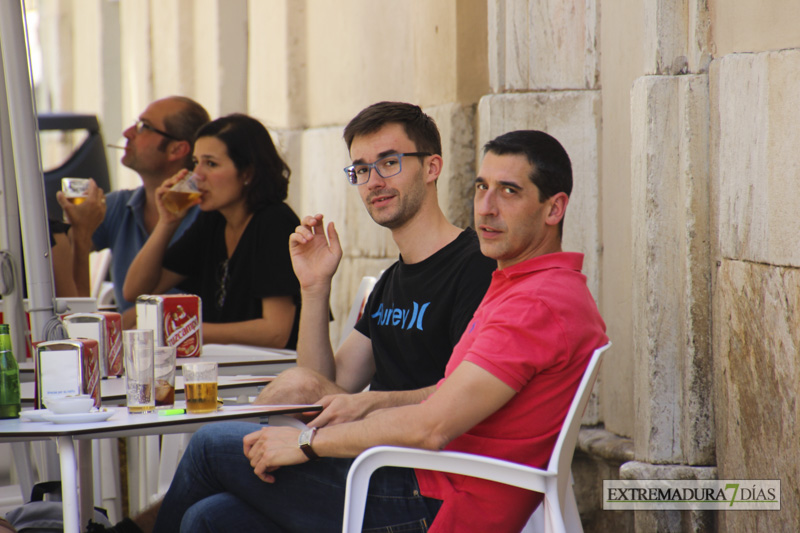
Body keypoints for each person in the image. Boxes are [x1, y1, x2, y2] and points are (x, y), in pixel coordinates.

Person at [150, 129, 608, 532]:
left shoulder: (536, 302)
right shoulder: (517, 284)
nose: (486, 208)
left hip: (435, 501)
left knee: (211, 446)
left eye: (509, 191)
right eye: (481, 187)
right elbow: (345, 385)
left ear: (554, 209)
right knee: (210, 518)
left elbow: (432, 426)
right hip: (414, 475)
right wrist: (317, 294)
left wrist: (309, 443)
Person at [252, 101, 496, 428]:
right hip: (362, 451)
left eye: (389, 162)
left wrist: (368, 404)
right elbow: (327, 383)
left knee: (213, 452)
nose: (374, 182)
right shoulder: (390, 281)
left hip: (410, 462)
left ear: (432, 168)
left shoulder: (477, 266)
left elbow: (467, 394)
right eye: (363, 170)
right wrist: (313, 288)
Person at [122, 114, 301, 349]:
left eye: (211, 164)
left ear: (247, 173)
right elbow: (135, 291)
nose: (197, 176)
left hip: (269, 370)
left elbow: (276, 332)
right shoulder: (213, 221)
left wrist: (186, 329)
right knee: (133, 317)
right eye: (196, 162)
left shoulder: (274, 222)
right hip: (225, 365)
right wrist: (167, 223)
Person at [57, 96, 210, 327]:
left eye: (144, 127)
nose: (128, 133)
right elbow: (61, 279)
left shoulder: (207, 211)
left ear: (177, 149)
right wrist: (79, 231)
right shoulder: (120, 204)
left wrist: (127, 320)